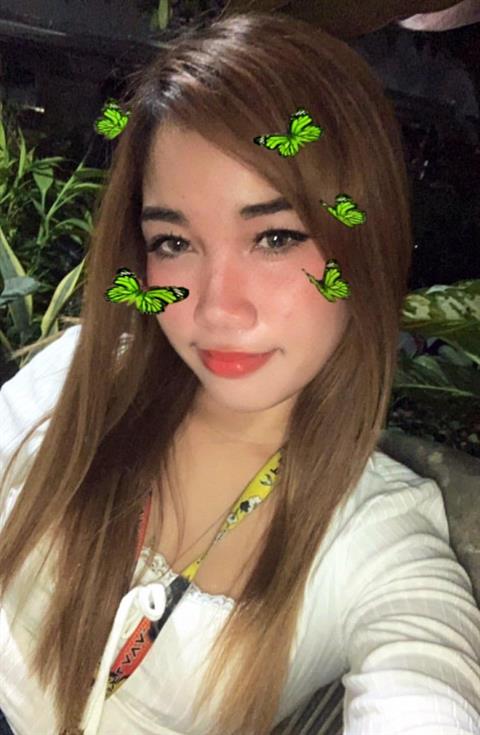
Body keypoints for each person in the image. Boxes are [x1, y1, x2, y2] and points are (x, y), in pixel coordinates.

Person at [1, 9, 480, 735]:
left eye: (276, 236)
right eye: (174, 242)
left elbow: (426, 689)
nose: (217, 309)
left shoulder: (378, 539)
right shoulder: (82, 376)